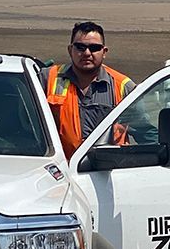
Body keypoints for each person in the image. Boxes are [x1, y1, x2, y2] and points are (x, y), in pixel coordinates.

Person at [40, 21, 150, 159]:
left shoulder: (124, 87)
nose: (86, 53)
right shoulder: (46, 78)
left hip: (107, 172)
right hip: (60, 172)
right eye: (80, 47)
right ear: (70, 50)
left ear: (104, 52)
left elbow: (145, 132)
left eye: (94, 48)